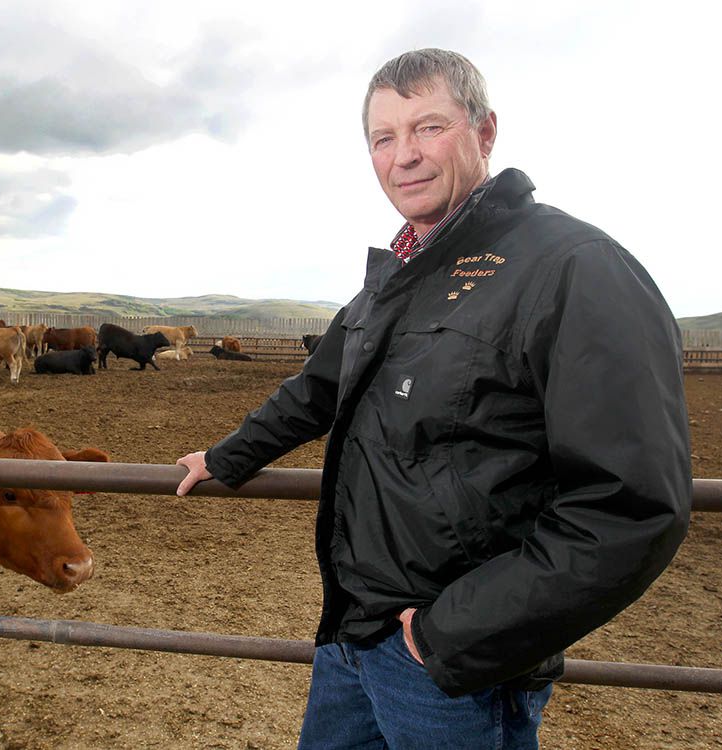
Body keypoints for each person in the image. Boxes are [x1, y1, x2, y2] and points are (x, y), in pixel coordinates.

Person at [176, 48, 692, 749]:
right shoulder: (400, 272)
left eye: (428, 128)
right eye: (383, 138)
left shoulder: (573, 268)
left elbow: (631, 504)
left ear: (484, 133)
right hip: (352, 634)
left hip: (453, 668)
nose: (404, 156)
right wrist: (228, 457)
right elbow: (320, 385)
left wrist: (452, 634)